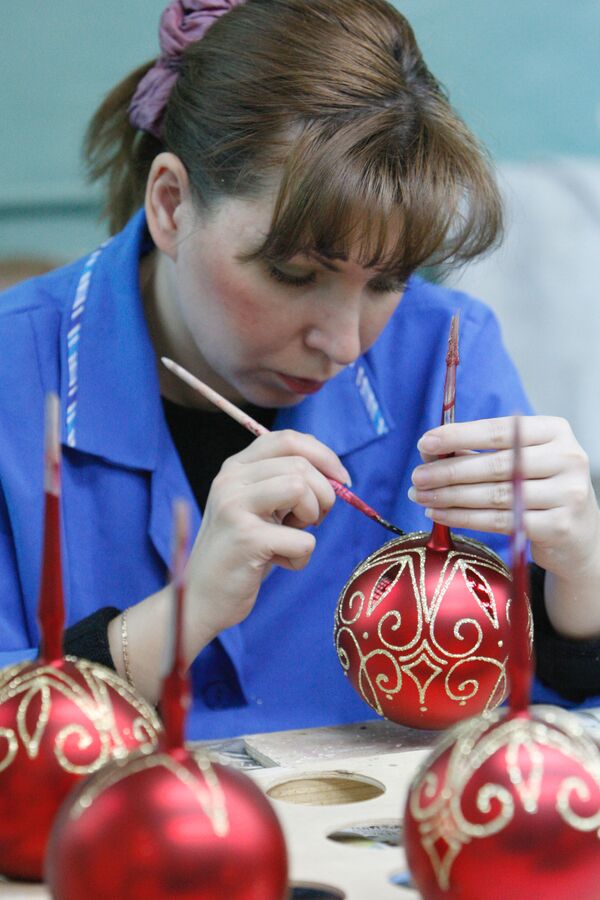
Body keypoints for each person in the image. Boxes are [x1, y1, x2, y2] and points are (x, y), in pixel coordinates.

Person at [1, 0, 599, 740]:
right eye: (291, 272)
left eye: (387, 281)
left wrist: (581, 569)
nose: (346, 343)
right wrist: (183, 614)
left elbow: (529, 712)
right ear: (171, 206)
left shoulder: (448, 350)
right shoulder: (14, 372)